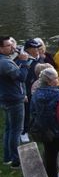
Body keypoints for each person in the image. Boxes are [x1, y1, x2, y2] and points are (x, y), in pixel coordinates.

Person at [30, 68, 59, 177]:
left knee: (50, 161)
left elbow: (33, 111)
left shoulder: (36, 94)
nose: (58, 79)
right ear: (49, 82)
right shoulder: (58, 95)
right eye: (56, 78)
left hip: (45, 132)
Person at [0, 35, 30, 168]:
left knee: (9, 128)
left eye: (12, 44)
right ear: (1, 48)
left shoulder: (4, 60)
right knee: (16, 130)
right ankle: (16, 161)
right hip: (13, 100)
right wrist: (24, 62)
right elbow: (21, 77)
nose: (12, 47)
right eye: (8, 45)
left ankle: (7, 158)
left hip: (6, 97)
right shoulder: (4, 63)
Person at [21, 39, 44, 142]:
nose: (37, 49)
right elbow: (21, 78)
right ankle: (24, 131)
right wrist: (24, 93)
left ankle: (34, 128)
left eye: (38, 47)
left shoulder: (40, 58)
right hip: (27, 90)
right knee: (26, 111)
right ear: (28, 50)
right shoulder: (24, 60)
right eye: (34, 48)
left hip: (38, 89)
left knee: (37, 110)